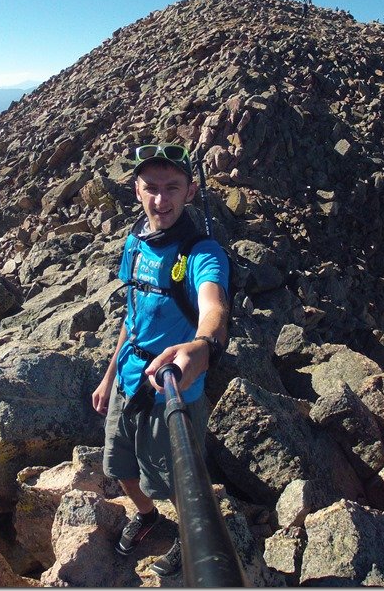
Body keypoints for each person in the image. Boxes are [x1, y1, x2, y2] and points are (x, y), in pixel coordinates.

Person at [92, 142, 230, 577]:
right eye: (151, 187)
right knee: (120, 467)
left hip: (173, 392)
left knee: (176, 484)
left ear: (190, 192)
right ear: (136, 190)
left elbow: (214, 306)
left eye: (172, 188)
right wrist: (109, 375)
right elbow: (132, 316)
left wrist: (202, 346)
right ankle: (148, 517)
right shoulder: (135, 241)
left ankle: (188, 543)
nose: (160, 199)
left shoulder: (202, 253)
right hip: (129, 380)